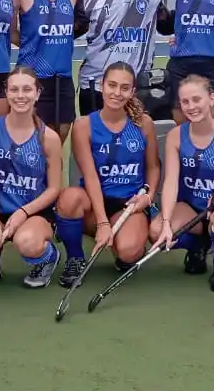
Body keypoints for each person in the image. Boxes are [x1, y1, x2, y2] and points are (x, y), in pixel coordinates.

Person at [55, 62, 160, 286]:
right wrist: (102, 222)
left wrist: (148, 196)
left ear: (132, 91)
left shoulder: (144, 124)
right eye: (112, 85)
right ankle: (75, 258)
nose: (117, 92)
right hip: (94, 203)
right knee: (69, 198)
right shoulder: (83, 125)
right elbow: (90, 175)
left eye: (124, 87)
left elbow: (153, 166)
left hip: (129, 204)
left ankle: (122, 246)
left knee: (129, 252)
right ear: (102, 86)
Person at [0, 66, 64, 287]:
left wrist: (23, 212)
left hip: (33, 213)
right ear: (6, 93)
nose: (20, 96)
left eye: (27, 89)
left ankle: (48, 258)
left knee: (27, 242)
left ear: (37, 93)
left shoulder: (49, 138)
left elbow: (54, 189)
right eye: (14, 90)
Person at [149, 75, 214, 292]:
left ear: (211, 98)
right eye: (185, 102)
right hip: (192, 209)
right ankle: (199, 245)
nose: (191, 106)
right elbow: (170, 181)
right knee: (156, 231)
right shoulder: (176, 136)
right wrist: (168, 221)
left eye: (196, 99)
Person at [79, 0, 172, 116]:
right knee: (93, 139)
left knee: (133, 141)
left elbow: (168, 25)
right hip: (94, 84)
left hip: (135, 86)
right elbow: (73, 32)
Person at [15, 0, 84, 141]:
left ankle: (51, 172)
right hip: (33, 78)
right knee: (32, 139)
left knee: (59, 137)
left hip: (63, 79)